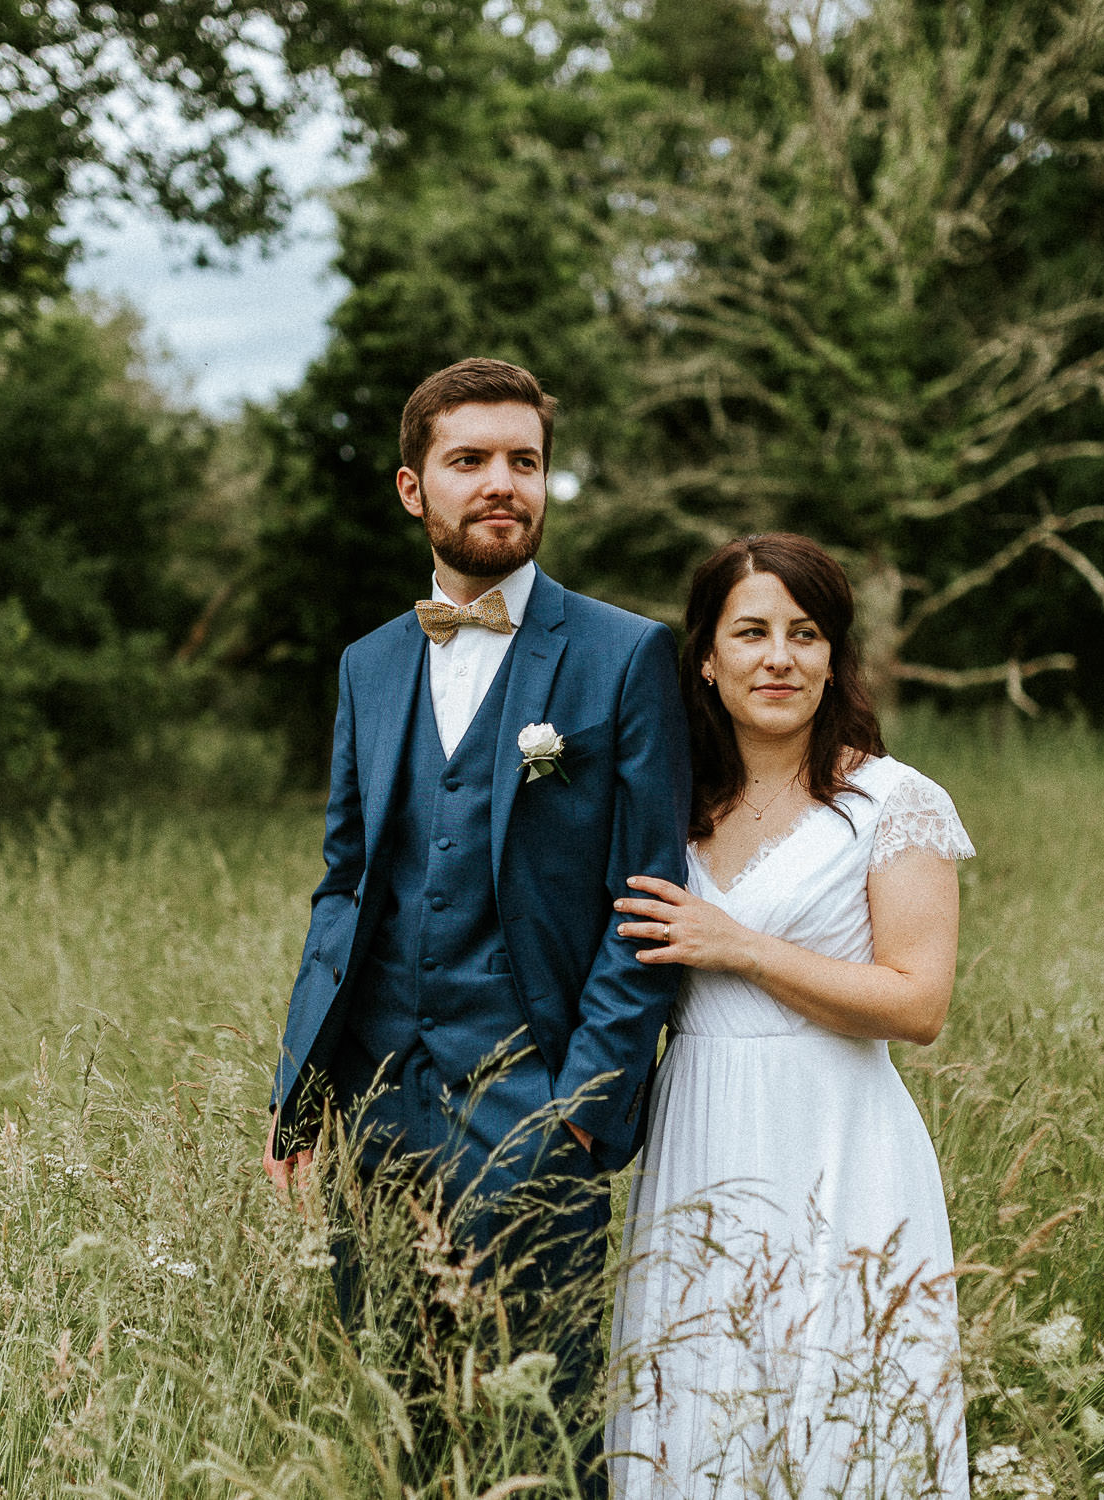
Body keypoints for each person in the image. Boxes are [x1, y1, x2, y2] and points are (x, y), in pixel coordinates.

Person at [261, 357, 691, 1485]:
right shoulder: (368, 664)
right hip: (374, 1103)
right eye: (470, 461)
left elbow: (647, 904)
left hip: (536, 1106)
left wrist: (583, 1114)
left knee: (540, 1429)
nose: (502, 483)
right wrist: (299, 1094)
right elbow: (345, 883)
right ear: (415, 489)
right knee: (400, 1424)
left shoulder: (625, 655)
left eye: (525, 461)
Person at [606, 534, 973, 1499]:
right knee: (695, 1392)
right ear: (706, 658)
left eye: (805, 634)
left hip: (837, 1136)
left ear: (833, 657)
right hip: (696, 1128)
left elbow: (919, 1003)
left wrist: (742, 946)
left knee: (841, 1400)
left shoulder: (893, 802)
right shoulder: (666, 804)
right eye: (752, 632)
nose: (780, 657)